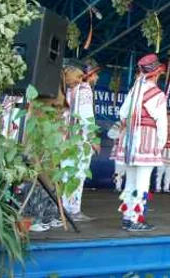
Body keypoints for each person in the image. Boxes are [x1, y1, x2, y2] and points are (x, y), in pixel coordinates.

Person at [113, 53, 168, 232]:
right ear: (157, 73)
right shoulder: (158, 94)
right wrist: (160, 144)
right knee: (143, 183)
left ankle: (128, 217)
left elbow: (122, 114)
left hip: (129, 139)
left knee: (131, 181)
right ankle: (137, 219)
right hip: (146, 140)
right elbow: (161, 122)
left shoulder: (134, 90)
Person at [61, 61, 101, 222]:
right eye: (96, 74)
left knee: (65, 173)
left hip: (65, 138)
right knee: (78, 174)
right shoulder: (85, 89)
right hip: (80, 139)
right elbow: (86, 117)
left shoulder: (67, 89)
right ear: (89, 74)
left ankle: (63, 208)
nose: (97, 77)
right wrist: (93, 139)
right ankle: (73, 210)